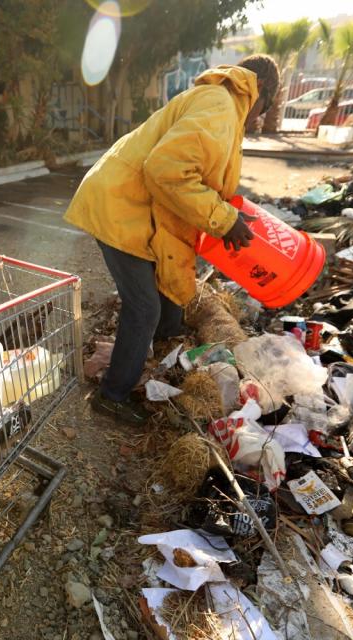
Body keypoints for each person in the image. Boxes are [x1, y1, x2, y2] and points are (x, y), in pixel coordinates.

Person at [64, 55, 280, 425]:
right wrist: (224, 220)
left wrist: (226, 215)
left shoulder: (220, 103)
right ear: (262, 93)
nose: (261, 117)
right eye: (268, 108)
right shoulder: (221, 106)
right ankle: (112, 396)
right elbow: (166, 170)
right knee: (144, 307)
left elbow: (196, 177)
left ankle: (155, 355)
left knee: (167, 297)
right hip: (122, 207)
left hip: (135, 207)